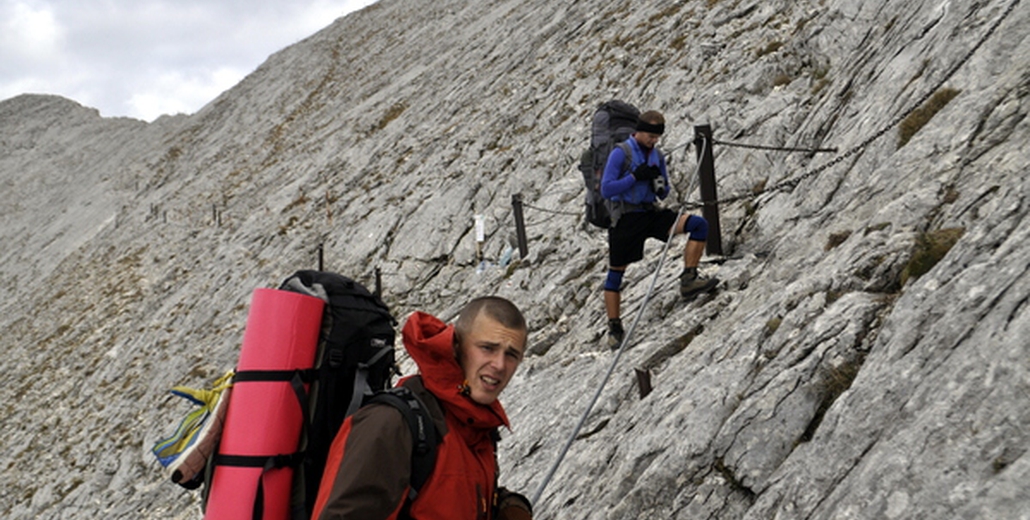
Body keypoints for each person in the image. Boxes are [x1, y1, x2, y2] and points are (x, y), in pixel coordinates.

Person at [311, 296, 533, 520]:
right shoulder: (392, 423)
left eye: (511, 354)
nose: (499, 365)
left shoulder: (475, 425)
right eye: (487, 348)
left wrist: (503, 504)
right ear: (456, 346)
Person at [600, 110, 719, 349]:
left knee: (698, 225)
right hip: (626, 218)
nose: (654, 141)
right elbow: (607, 189)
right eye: (650, 136)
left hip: (651, 213)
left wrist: (658, 184)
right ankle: (614, 326)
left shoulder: (657, 156)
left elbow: (663, 192)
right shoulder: (620, 153)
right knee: (616, 275)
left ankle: (689, 278)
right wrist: (635, 177)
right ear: (639, 131)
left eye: (657, 137)